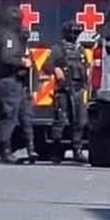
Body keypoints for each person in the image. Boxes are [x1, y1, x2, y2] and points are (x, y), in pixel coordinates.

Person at [0, 6, 36, 164]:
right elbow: (6, 57)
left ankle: (31, 149)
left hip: (17, 81)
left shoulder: (15, 36)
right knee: (9, 117)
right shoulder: (7, 36)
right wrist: (22, 62)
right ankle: (5, 152)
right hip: (7, 81)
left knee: (25, 115)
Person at [43, 20, 89, 164]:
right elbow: (46, 66)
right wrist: (56, 69)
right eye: (73, 32)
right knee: (60, 121)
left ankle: (77, 150)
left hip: (78, 88)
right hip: (63, 90)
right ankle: (57, 152)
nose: (75, 35)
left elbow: (86, 67)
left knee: (80, 121)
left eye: (77, 32)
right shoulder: (58, 49)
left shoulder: (80, 50)